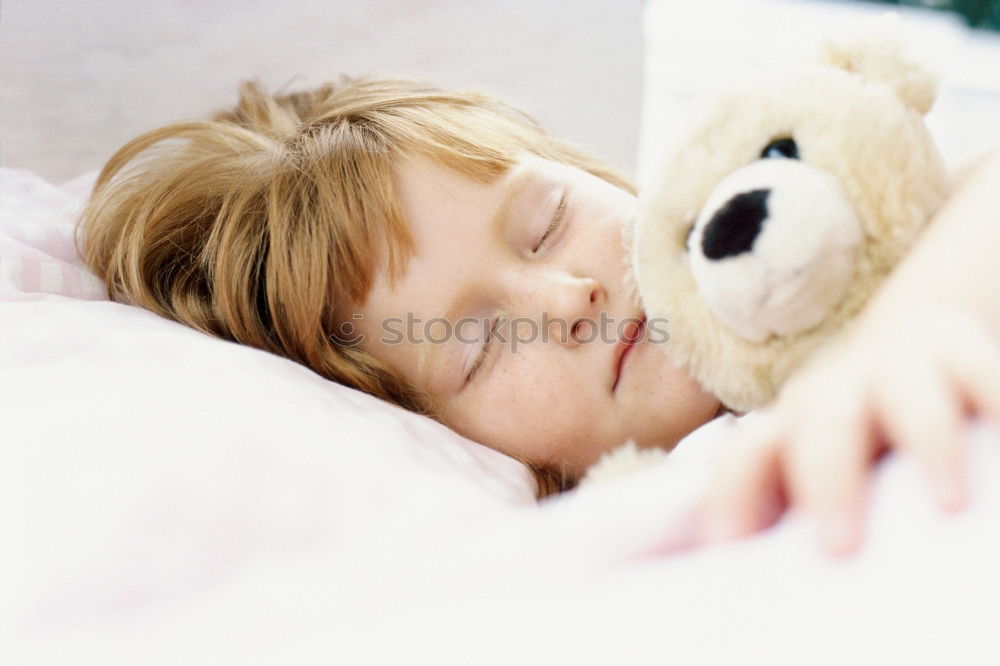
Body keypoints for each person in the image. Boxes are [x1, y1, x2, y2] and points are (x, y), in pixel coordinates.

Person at [78, 77, 1000, 552]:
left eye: (547, 220)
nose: (567, 300)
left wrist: (903, 332)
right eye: (477, 346)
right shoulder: (617, 516)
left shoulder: (824, 249)